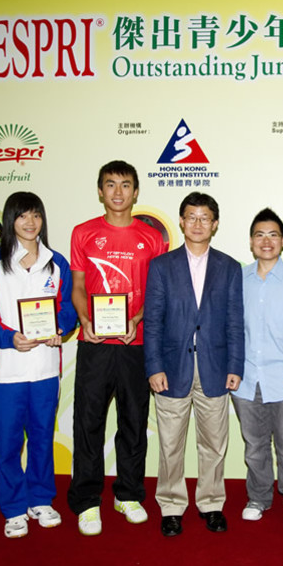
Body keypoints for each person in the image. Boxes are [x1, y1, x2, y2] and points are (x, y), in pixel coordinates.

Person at [0, 191, 77, 538]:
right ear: (10, 220)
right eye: (22, 216)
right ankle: (14, 508)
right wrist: (8, 338)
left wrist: (61, 328)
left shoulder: (56, 262)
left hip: (45, 369)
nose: (30, 223)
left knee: (43, 437)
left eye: (36, 216)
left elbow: (68, 309)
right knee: (8, 442)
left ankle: (41, 500)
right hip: (5, 371)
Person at [67, 160, 167, 536]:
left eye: (125, 185)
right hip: (94, 343)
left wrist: (136, 320)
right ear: (100, 191)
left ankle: (128, 493)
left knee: (133, 421)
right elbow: (78, 286)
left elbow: (157, 292)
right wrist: (85, 320)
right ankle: (88, 500)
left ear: (136, 191)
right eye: (110, 185)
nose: (118, 192)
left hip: (135, 343)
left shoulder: (152, 237)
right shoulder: (83, 233)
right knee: (88, 422)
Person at [144, 192, 244, 537]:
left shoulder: (230, 267)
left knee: (214, 443)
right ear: (182, 221)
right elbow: (153, 321)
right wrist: (153, 366)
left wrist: (236, 365)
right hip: (171, 369)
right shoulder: (161, 266)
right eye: (192, 217)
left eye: (205, 218)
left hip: (216, 368)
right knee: (170, 444)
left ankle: (212, 503)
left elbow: (235, 321)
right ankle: (171, 506)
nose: (198, 223)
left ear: (215, 224)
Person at [232, 208, 283, 525]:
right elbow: (232, 329)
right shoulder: (239, 279)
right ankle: (258, 498)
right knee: (254, 448)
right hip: (246, 378)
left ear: (282, 242)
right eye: (259, 235)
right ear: (251, 242)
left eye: (273, 235)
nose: (266, 241)